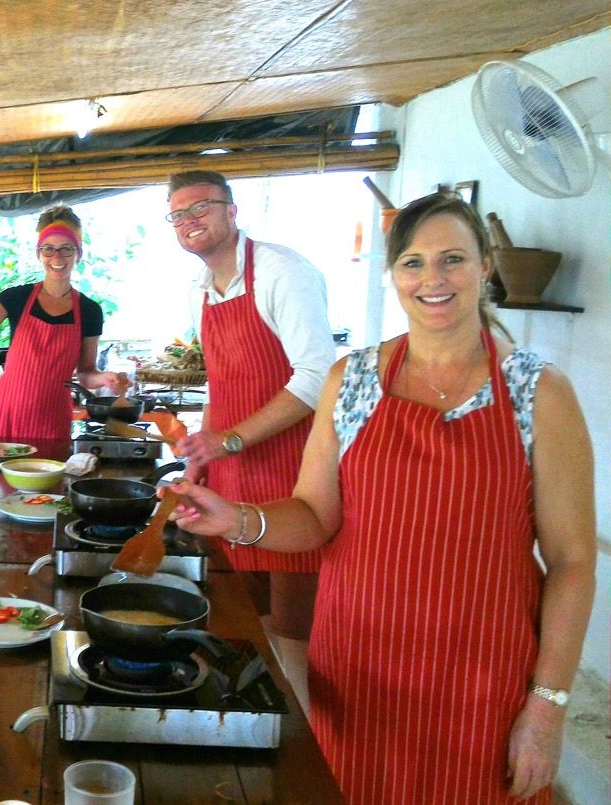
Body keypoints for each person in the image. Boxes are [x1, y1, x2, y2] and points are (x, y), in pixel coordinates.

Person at [169, 193, 595, 803]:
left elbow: (574, 561)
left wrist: (548, 707)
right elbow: (315, 517)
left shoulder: (539, 392)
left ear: (485, 266)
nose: (433, 279)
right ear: (394, 275)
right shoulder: (355, 380)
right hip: (357, 671)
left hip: (481, 678)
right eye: (413, 263)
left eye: (452, 259)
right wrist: (236, 518)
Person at [165, 170, 336, 707]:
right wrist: (202, 453)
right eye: (178, 215)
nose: (190, 221)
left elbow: (315, 379)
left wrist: (229, 441)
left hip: (294, 474)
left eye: (202, 208)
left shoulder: (284, 272)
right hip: (233, 478)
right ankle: (256, 720)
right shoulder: (198, 290)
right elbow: (219, 378)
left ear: (232, 211)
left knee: (295, 629)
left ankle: (309, 742)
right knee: (245, 613)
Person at [0, 206, 126, 454]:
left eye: (66, 249)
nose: (57, 257)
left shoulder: (89, 310)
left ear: (78, 253)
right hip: (5, 416)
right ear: (39, 253)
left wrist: (104, 378)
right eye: (48, 248)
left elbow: (86, 372)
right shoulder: (17, 297)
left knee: (50, 493)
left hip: (52, 421)